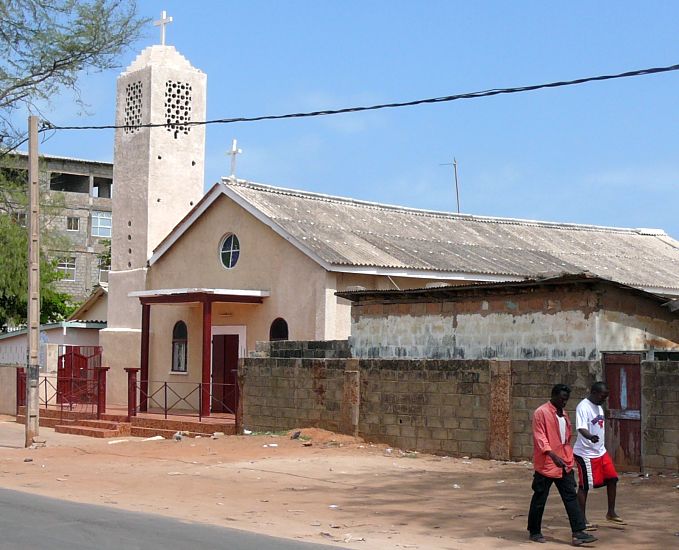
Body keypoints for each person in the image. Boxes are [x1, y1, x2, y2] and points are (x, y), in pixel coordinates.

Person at [527, 384, 598, 546]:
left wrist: (566, 459)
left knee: (570, 497)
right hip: (546, 464)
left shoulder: (564, 414)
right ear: (553, 396)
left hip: (563, 463)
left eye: (566, 400)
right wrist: (552, 455)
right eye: (561, 399)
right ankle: (534, 531)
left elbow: (565, 439)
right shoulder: (541, 412)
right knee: (539, 498)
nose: (564, 403)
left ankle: (578, 532)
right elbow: (540, 438)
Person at [573, 381, 625, 529]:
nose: (605, 399)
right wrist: (590, 437)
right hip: (585, 453)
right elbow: (581, 428)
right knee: (585, 486)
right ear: (595, 393)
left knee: (612, 479)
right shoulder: (583, 407)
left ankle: (611, 513)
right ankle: (581, 519)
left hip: (600, 451)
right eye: (603, 396)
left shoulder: (599, 407)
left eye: (606, 396)